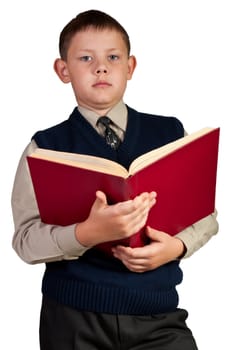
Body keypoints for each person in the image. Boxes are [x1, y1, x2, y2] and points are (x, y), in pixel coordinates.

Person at [11, 9, 218, 350]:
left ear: (130, 67)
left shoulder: (169, 132)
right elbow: (26, 241)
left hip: (159, 316)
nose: (101, 67)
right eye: (86, 58)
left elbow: (206, 216)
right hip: (73, 320)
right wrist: (85, 234)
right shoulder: (44, 148)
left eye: (113, 57)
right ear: (63, 70)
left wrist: (176, 248)